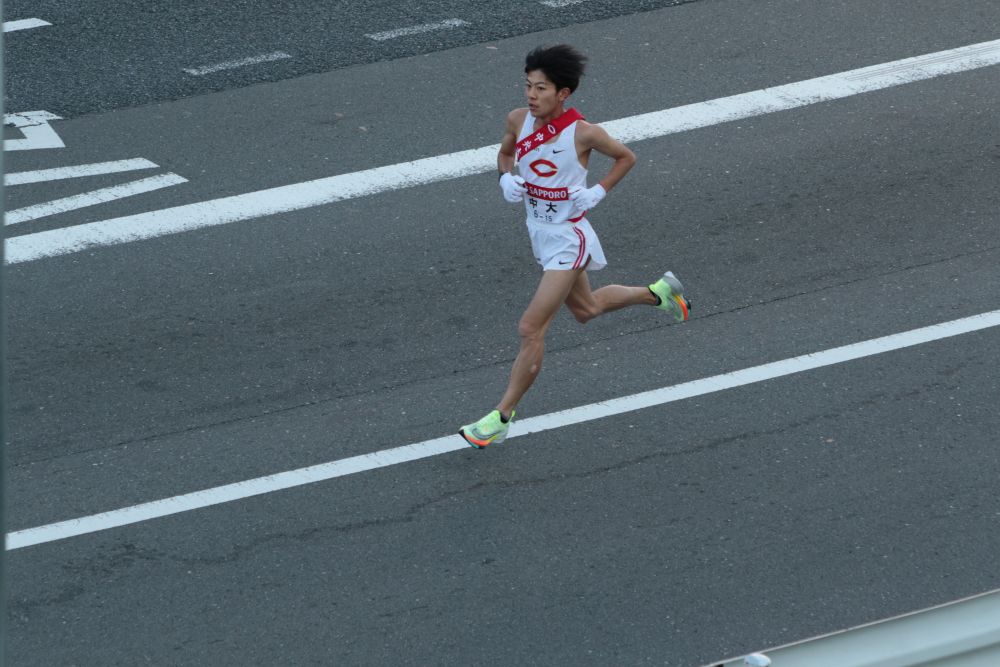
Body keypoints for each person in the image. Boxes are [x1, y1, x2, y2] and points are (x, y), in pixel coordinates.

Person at [459, 44, 691, 449]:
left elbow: (626, 157)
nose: (531, 95)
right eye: (528, 86)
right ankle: (659, 293)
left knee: (531, 328)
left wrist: (598, 191)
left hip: (569, 237)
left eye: (541, 88)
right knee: (587, 310)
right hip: (539, 234)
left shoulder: (584, 133)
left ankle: (500, 417)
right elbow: (504, 152)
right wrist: (504, 177)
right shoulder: (518, 119)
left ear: (563, 94)